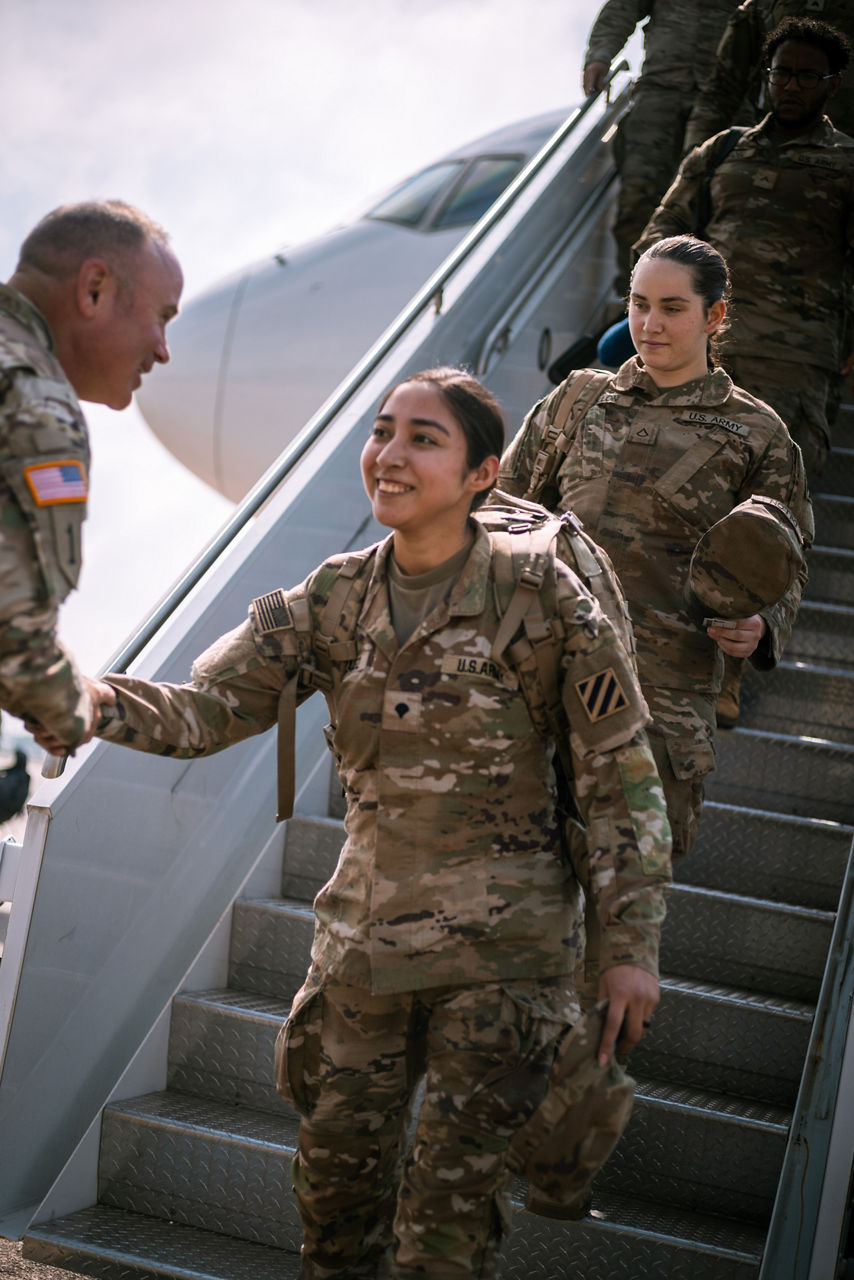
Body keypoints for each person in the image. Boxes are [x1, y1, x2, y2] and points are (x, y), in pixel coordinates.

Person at [34, 368, 672, 1278]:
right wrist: (85, 702)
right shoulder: (331, 598)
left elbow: (623, 782)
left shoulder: (545, 601)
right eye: (382, 431)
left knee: (442, 1237)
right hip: (361, 953)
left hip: (501, 963)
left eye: (424, 438)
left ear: (484, 473)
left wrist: (629, 949)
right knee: (333, 1218)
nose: (391, 454)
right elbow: (207, 712)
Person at [499, 236, 812, 857]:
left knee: (624, 906)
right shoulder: (576, 399)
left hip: (661, 699)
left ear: (714, 316)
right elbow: (496, 508)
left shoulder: (759, 434)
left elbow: (788, 556)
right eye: (639, 304)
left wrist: (763, 621)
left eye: (671, 307)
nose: (649, 323)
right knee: (508, 894)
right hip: (538, 677)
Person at [0, 199, 182, 753]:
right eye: (162, 317)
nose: (162, 351)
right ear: (95, 288)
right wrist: (74, 707)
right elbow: (13, 634)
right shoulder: (37, 403)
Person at [636, 17, 854, 480]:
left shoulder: (848, 162)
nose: (791, 86)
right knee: (668, 487)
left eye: (808, 76)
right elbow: (665, 226)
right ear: (767, 75)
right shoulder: (723, 149)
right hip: (702, 349)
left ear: (833, 86)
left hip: (793, 361)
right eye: (781, 73)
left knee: (772, 497)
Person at [583, 0, 744, 295]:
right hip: (660, 95)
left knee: (714, 210)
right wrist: (600, 55)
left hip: (725, 106)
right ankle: (634, 303)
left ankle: (704, 306)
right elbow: (622, 8)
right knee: (639, 202)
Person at [683, 0, 854, 153]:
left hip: (842, 156)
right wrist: (697, 155)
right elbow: (722, 91)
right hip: (768, 151)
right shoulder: (762, 7)